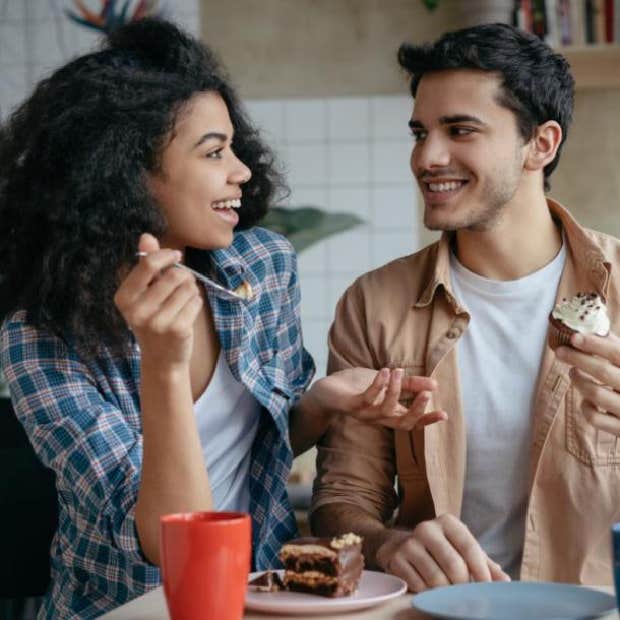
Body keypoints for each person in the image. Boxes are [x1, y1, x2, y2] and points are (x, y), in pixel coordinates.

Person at [0, 18, 443, 619]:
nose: (242, 171)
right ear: (124, 172)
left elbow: (256, 451)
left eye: (235, 146)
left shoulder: (261, 267)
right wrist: (163, 361)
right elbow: (165, 540)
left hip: (258, 597)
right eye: (214, 152)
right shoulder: (40, 341)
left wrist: (321, 404)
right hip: (128, 608)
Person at [310, 22, 620, 591]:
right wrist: (390, 545)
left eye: (460, 130)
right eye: (420, 131)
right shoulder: (374, 305)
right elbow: (343, 500)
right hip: (439, 610)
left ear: (541, 144)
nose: (428, 157)